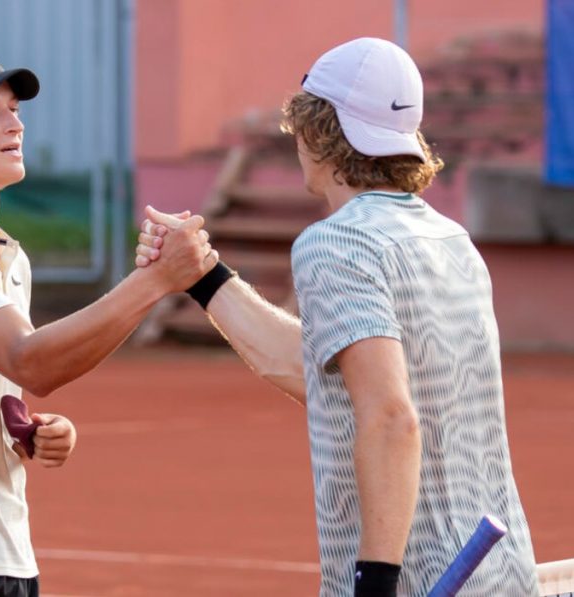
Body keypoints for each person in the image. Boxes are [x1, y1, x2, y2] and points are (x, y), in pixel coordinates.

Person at [136, 38, 538, 596]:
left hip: (419, 581)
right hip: (504, 575)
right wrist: (202, 276)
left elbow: (390, 415)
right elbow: (323, 375)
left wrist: (374, 583)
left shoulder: (336, 244)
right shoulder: (452, 240)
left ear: (316, 131)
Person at [0, 50, 216, 596]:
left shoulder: (5, 254)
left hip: (4, 552)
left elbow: (14, 375)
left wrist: (28, 430)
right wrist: (156, 281)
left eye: (14, 108)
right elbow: (32, 360)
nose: (14, 123)